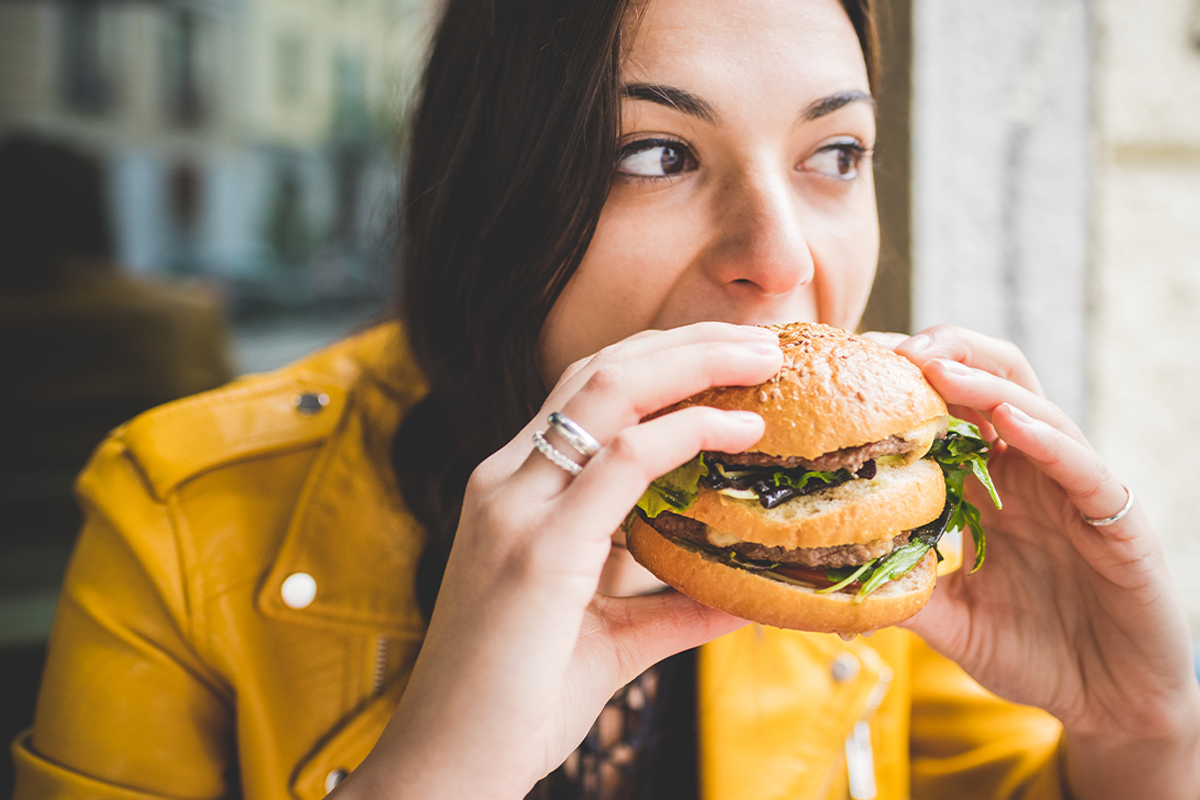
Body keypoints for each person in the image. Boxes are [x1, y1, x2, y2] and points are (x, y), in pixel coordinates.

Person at [12, 0, 1200, 798]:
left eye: (835, 155)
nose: (782, 261)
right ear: (497, 185)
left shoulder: (863, 542)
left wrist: (1137, 733)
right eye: (656, 154)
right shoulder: (176, 514)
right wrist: (442, 766)